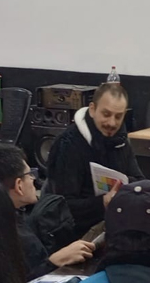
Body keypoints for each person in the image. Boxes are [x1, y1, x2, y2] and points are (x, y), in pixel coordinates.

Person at [0, 145, 96, 279]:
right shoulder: (14, 236)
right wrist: (54, 261)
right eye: (29, 174)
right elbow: (20, 282)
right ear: (19, 185)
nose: (33, 179)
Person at [44, 82, 144, 236]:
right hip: (78, 231)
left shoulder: (121, 139)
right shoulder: (69, 144)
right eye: (106, 114)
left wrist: (125, 188)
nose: (112, 123)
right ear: (92, 109)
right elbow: (62, 206)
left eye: (118, 116)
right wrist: (102, 202)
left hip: (117, 221)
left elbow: (139, 179)